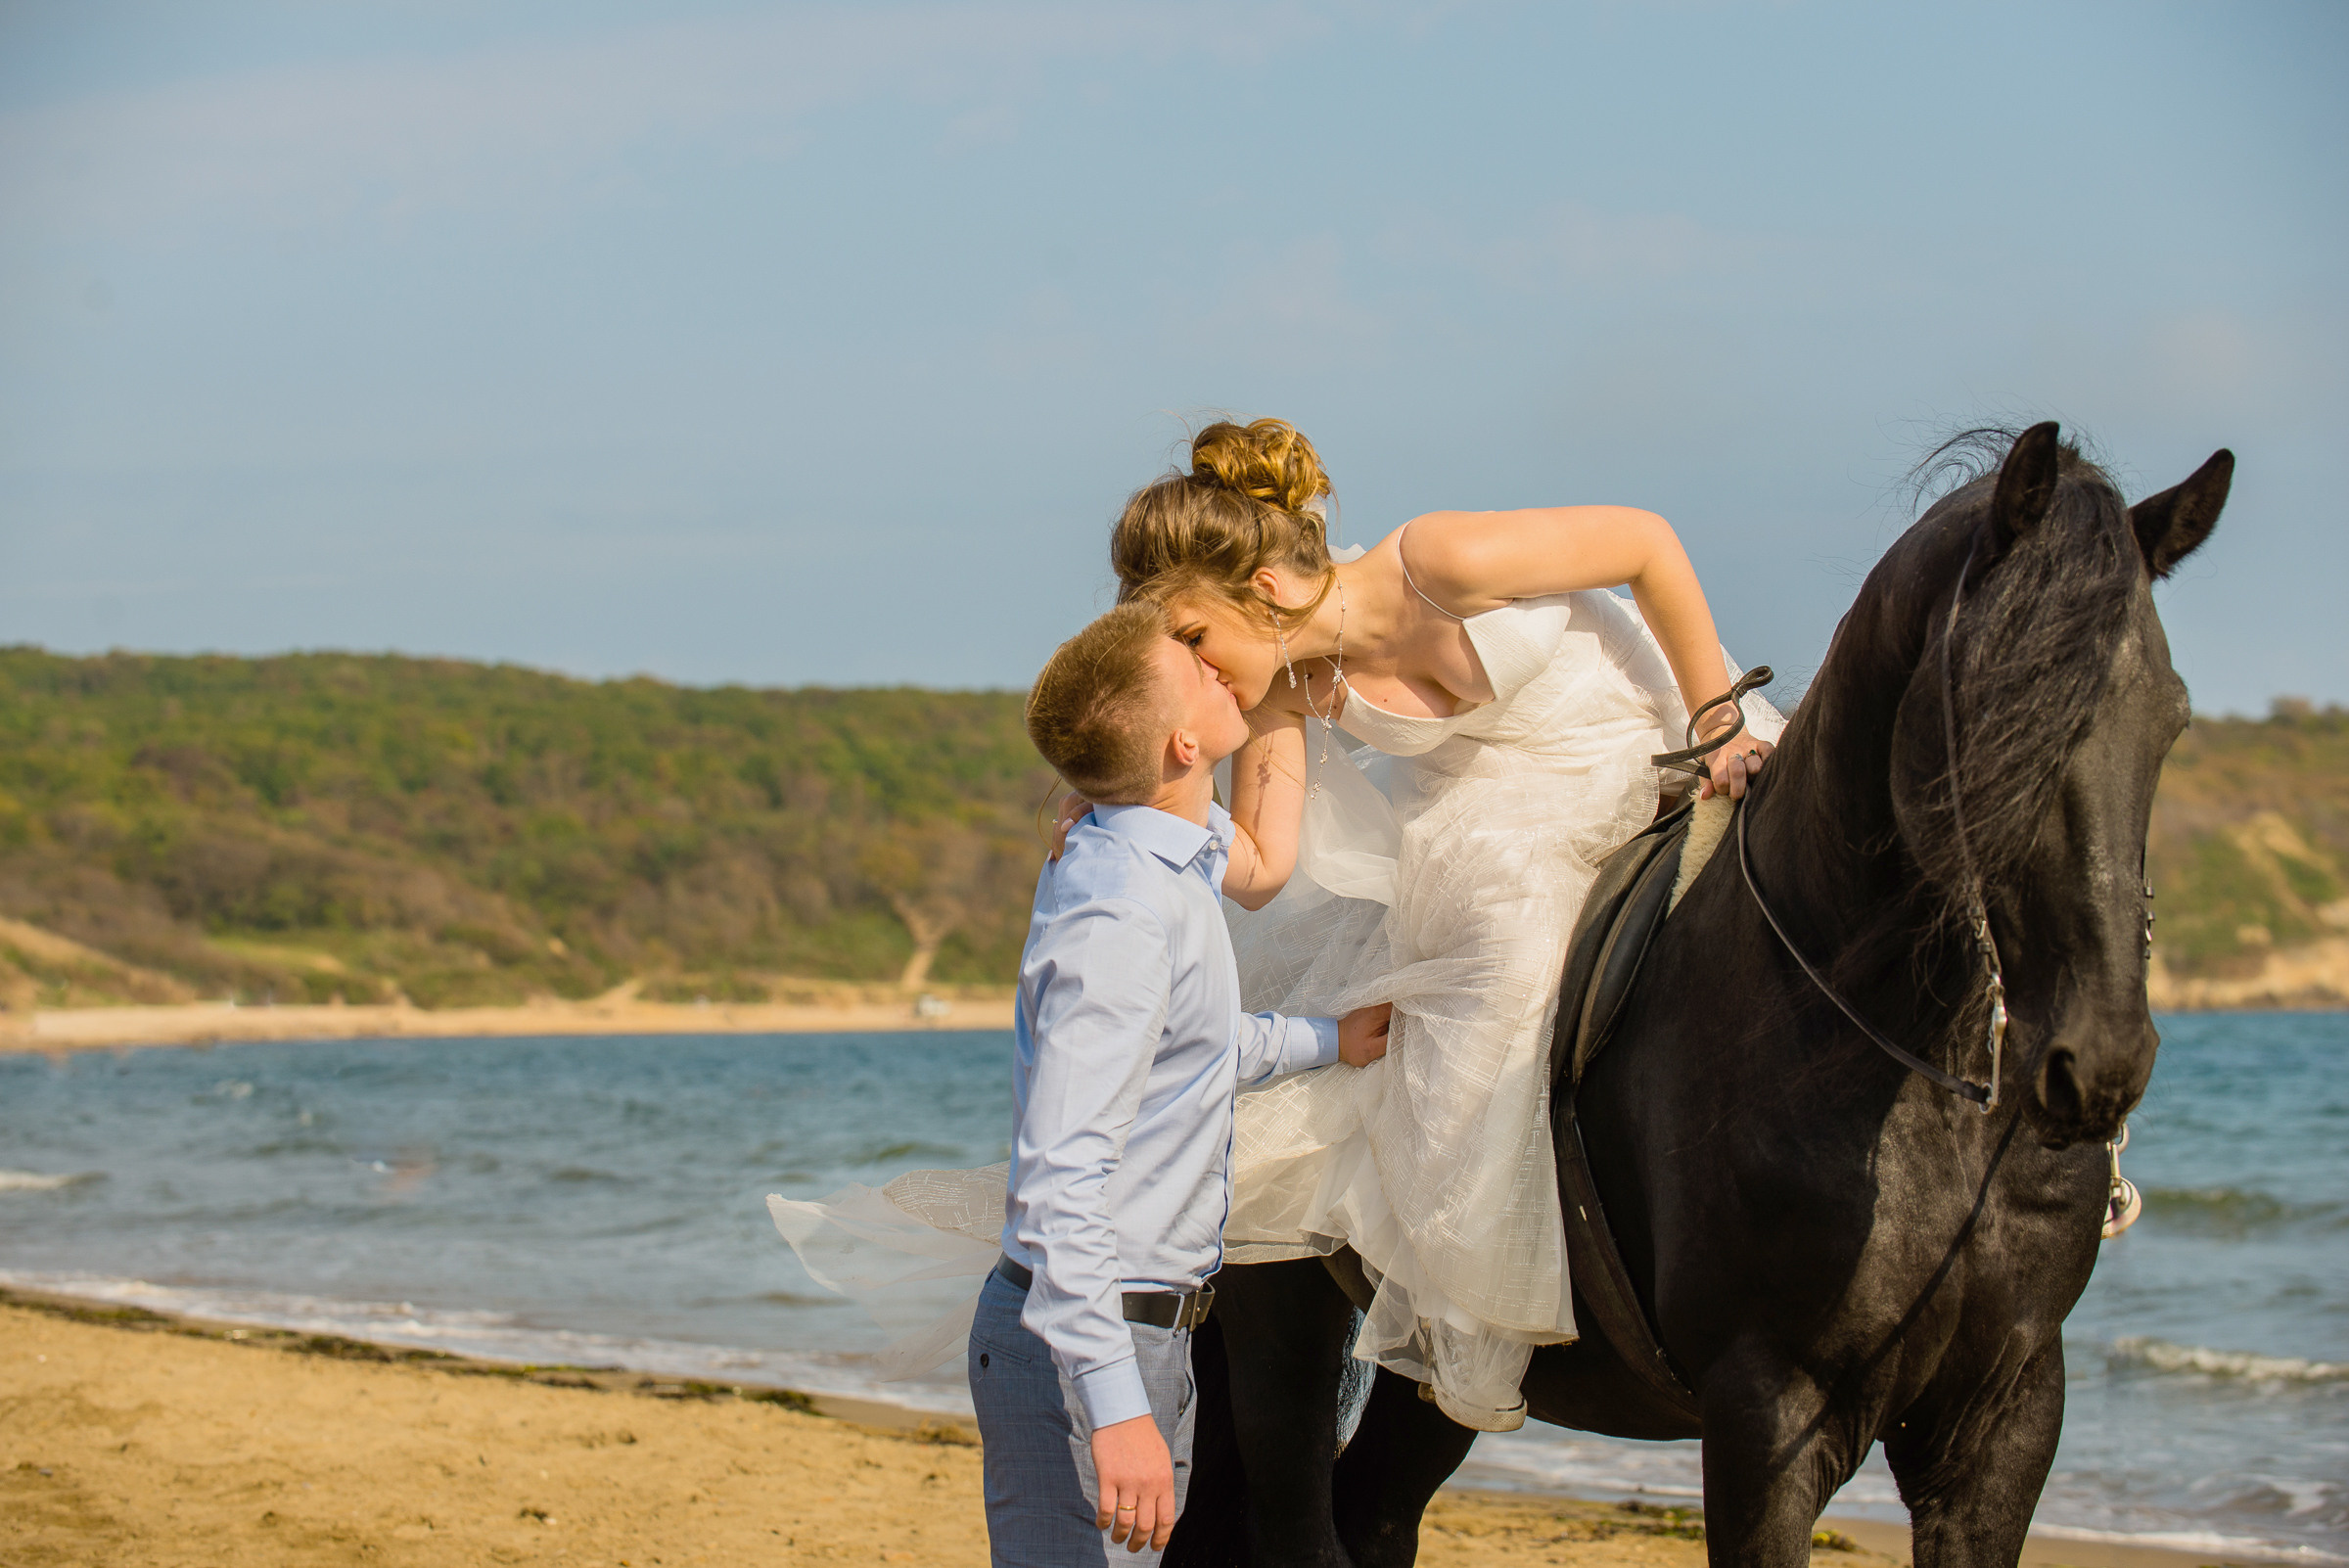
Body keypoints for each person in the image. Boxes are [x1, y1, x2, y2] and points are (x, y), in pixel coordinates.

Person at [1086, 417, 1783, 1431]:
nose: (1191, 670)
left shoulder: (1438, 560)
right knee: (1487, 963)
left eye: (1192, 639)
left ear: (1266, 591)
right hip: (1516, 801)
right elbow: (1261, 870)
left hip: (1654, 719)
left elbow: (1646, 545)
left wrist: (1715, 718)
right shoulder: (1280, 689)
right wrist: (1126, 808)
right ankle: (1514, 1289)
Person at [974, 601, 1392, 1564]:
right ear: (1181, 744)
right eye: (1195, 669)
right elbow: (1057, 1184)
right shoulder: (1121, 909)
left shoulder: (1163, 867)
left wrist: (1330, 1040)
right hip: (1088, 1345)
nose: (1220, 670)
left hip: (1136, 1333)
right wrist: (1116, 1409)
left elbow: (1194, 1047)